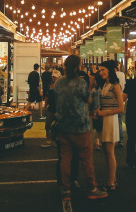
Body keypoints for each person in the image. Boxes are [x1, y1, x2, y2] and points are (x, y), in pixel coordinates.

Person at [54, 55, 107, 201]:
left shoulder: (58, 83)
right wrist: (91, 91)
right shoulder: (81, 83)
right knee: (86, 159)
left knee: (65, 159)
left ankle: (65, 189)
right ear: (77, 67)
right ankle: (92, 188)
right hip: (80, 126)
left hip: (63, 126)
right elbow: (88, 100)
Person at [96, 60, 124, 191]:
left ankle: (111, 182)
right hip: (105, 119)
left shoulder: (115, 85)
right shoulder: (105, 85)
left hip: (111, 120)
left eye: (103, 70)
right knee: (107, 152)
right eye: (100, 70)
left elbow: (121, 108)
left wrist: (104, 113)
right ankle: (112, 179)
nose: (100, 72)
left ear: (109, 71)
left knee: (109, 152)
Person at [115, 61, 126, 147]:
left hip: (114, 101)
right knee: (119, 121)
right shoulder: (122, 74)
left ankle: (115, 139)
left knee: (114, 120)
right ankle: (121, 140)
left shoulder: (113, 75)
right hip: (122, 99)